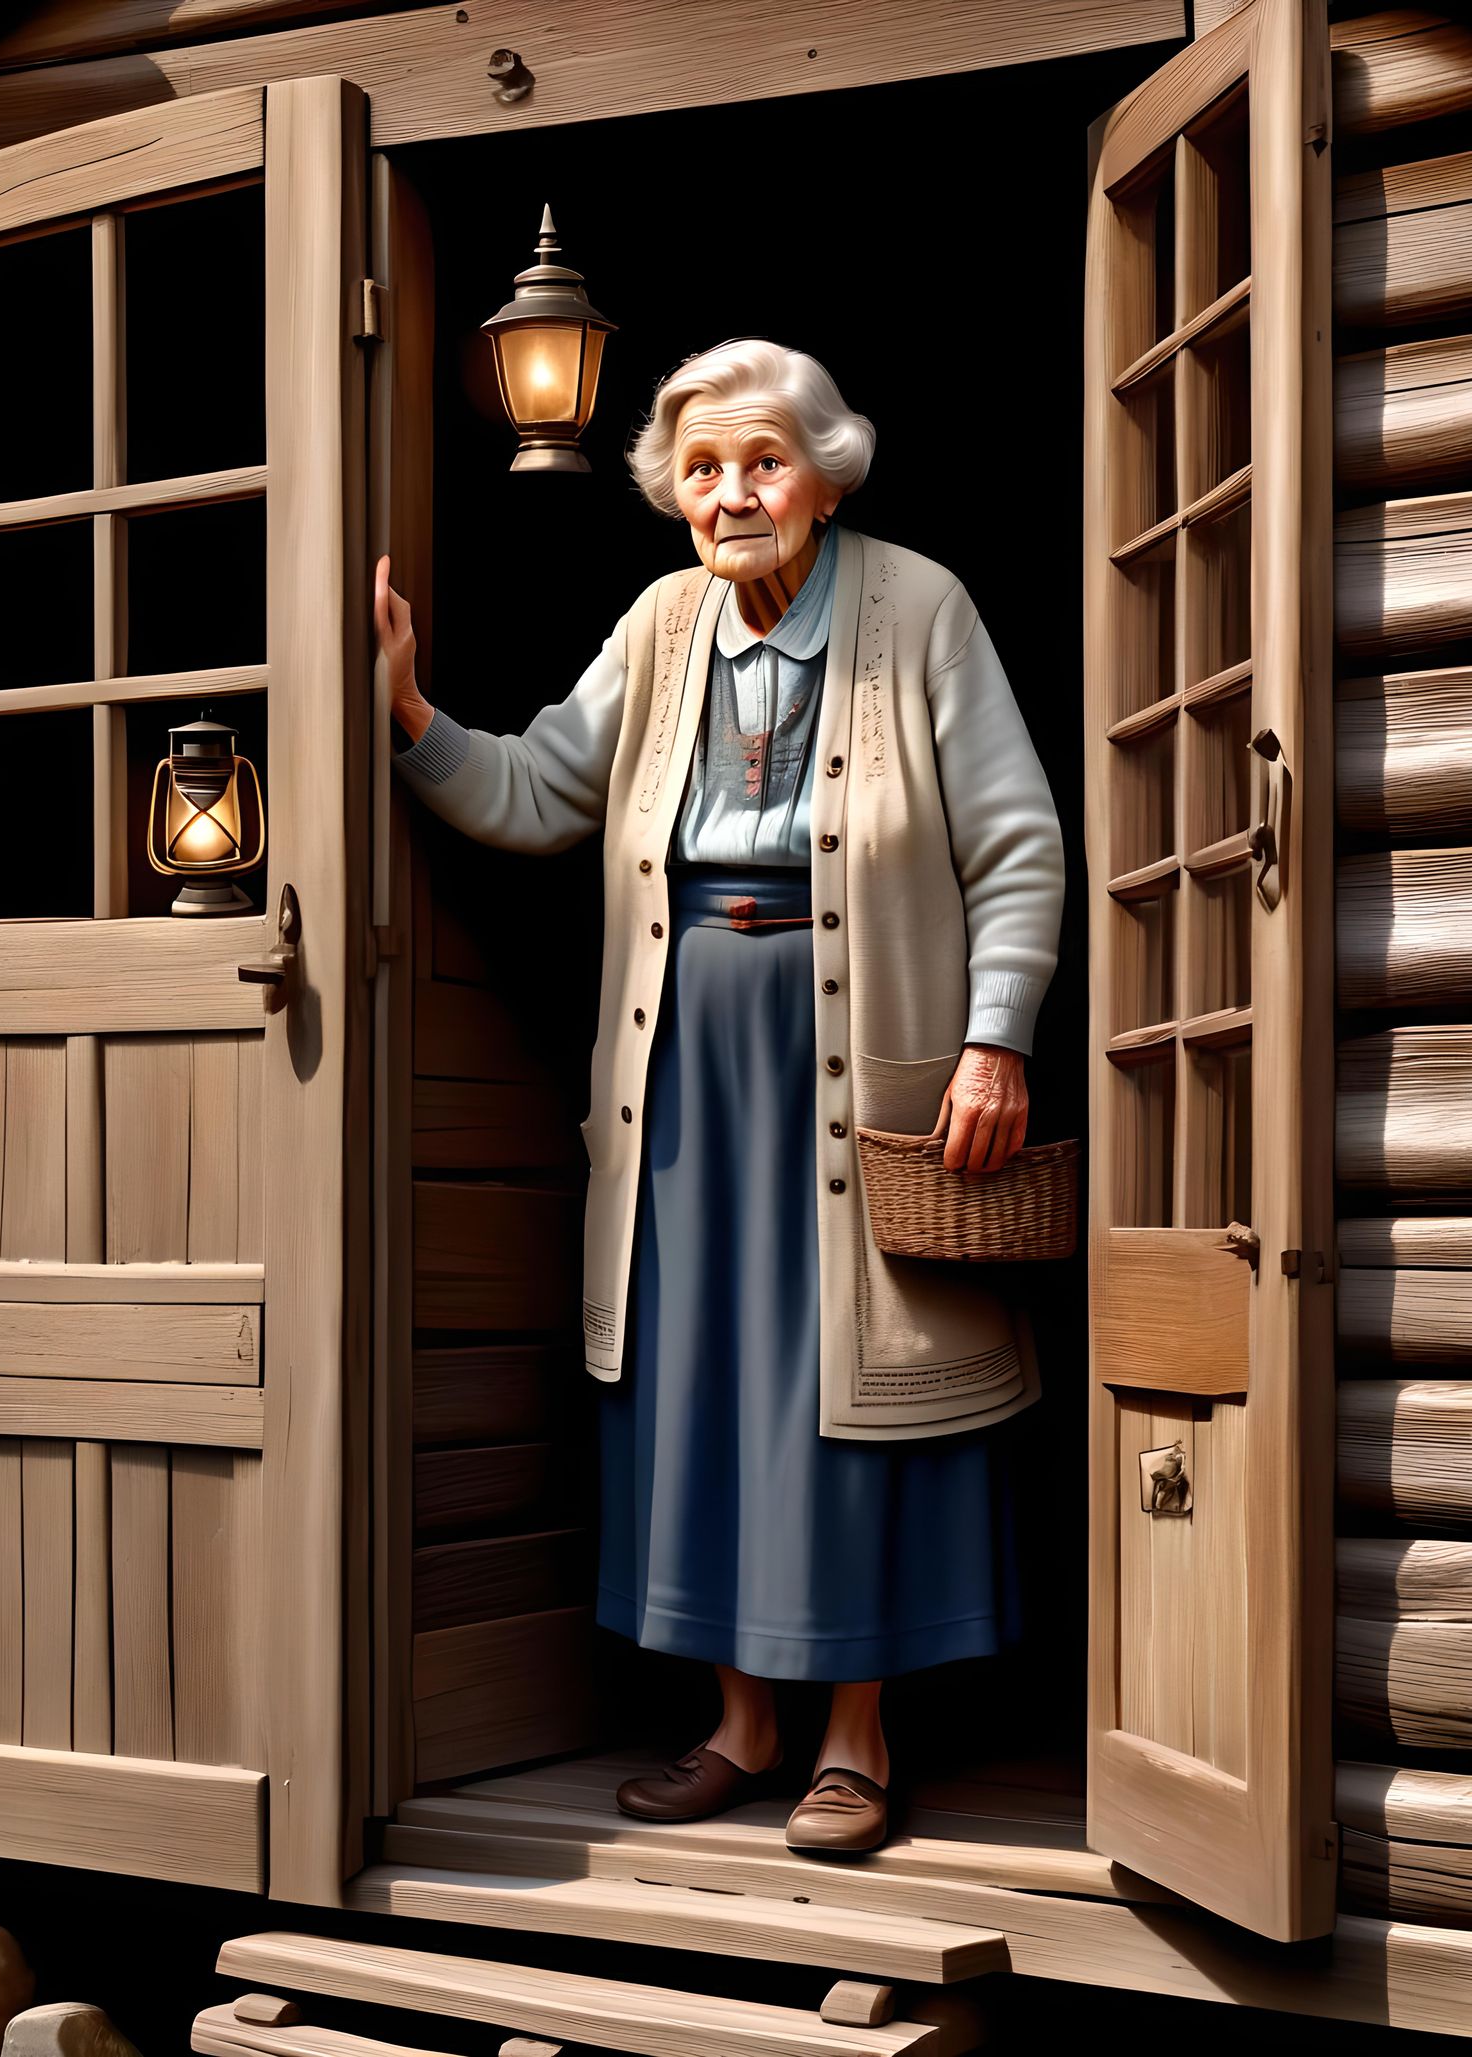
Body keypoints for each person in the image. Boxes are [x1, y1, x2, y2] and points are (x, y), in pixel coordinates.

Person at [377, 338, 1064, 1855]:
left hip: (861, 1046)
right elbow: (545, 786)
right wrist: (407, 711)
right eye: (702, 469)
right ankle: (742, 1725)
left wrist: (995, 1036)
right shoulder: (662, 619)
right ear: (672, 496)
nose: (732, 492)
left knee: (850, 1390)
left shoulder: (919, 605)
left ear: (826, 472)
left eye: (762, 460)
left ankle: (856, 1737)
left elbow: (1015, 840)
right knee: (698, 1381)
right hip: (685, 1051)